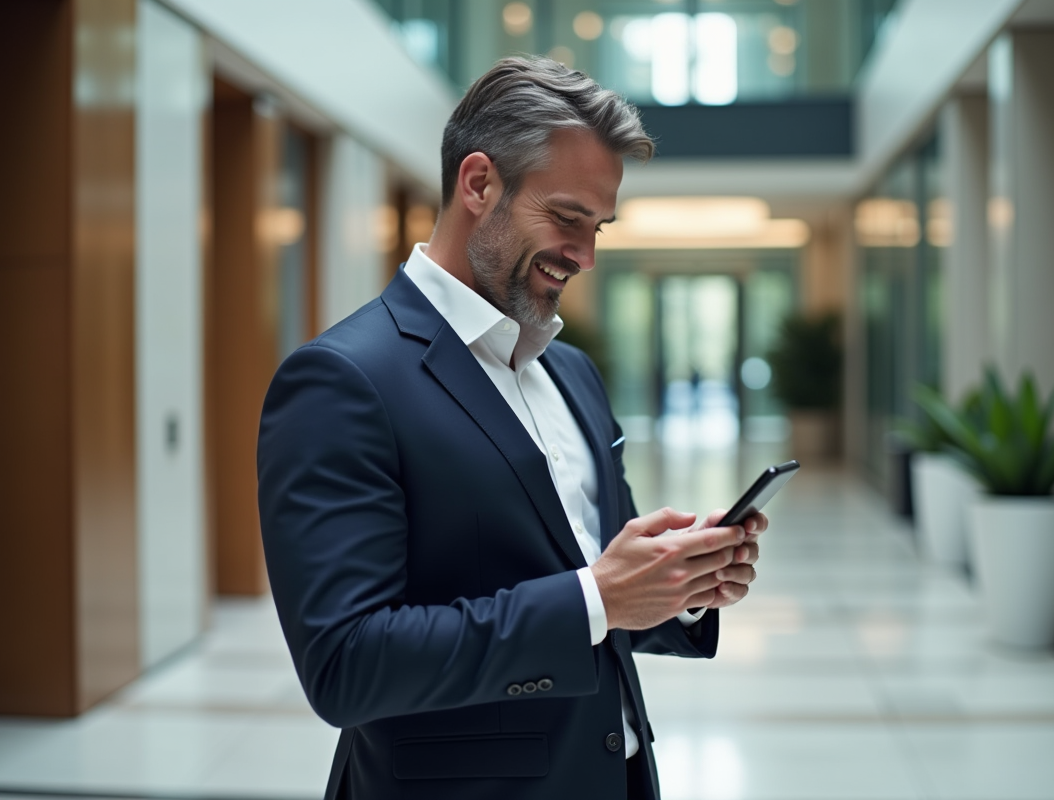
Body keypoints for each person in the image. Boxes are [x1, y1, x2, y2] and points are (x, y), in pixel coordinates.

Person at [256, 56, 766, 800]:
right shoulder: (342, 380)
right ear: (478, 184)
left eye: (599, 227)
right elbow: (346, 663)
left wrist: (681, 584)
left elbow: (599, 580)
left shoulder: (573, 374)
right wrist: (596, 598)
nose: (586, 255)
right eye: (566, 218)